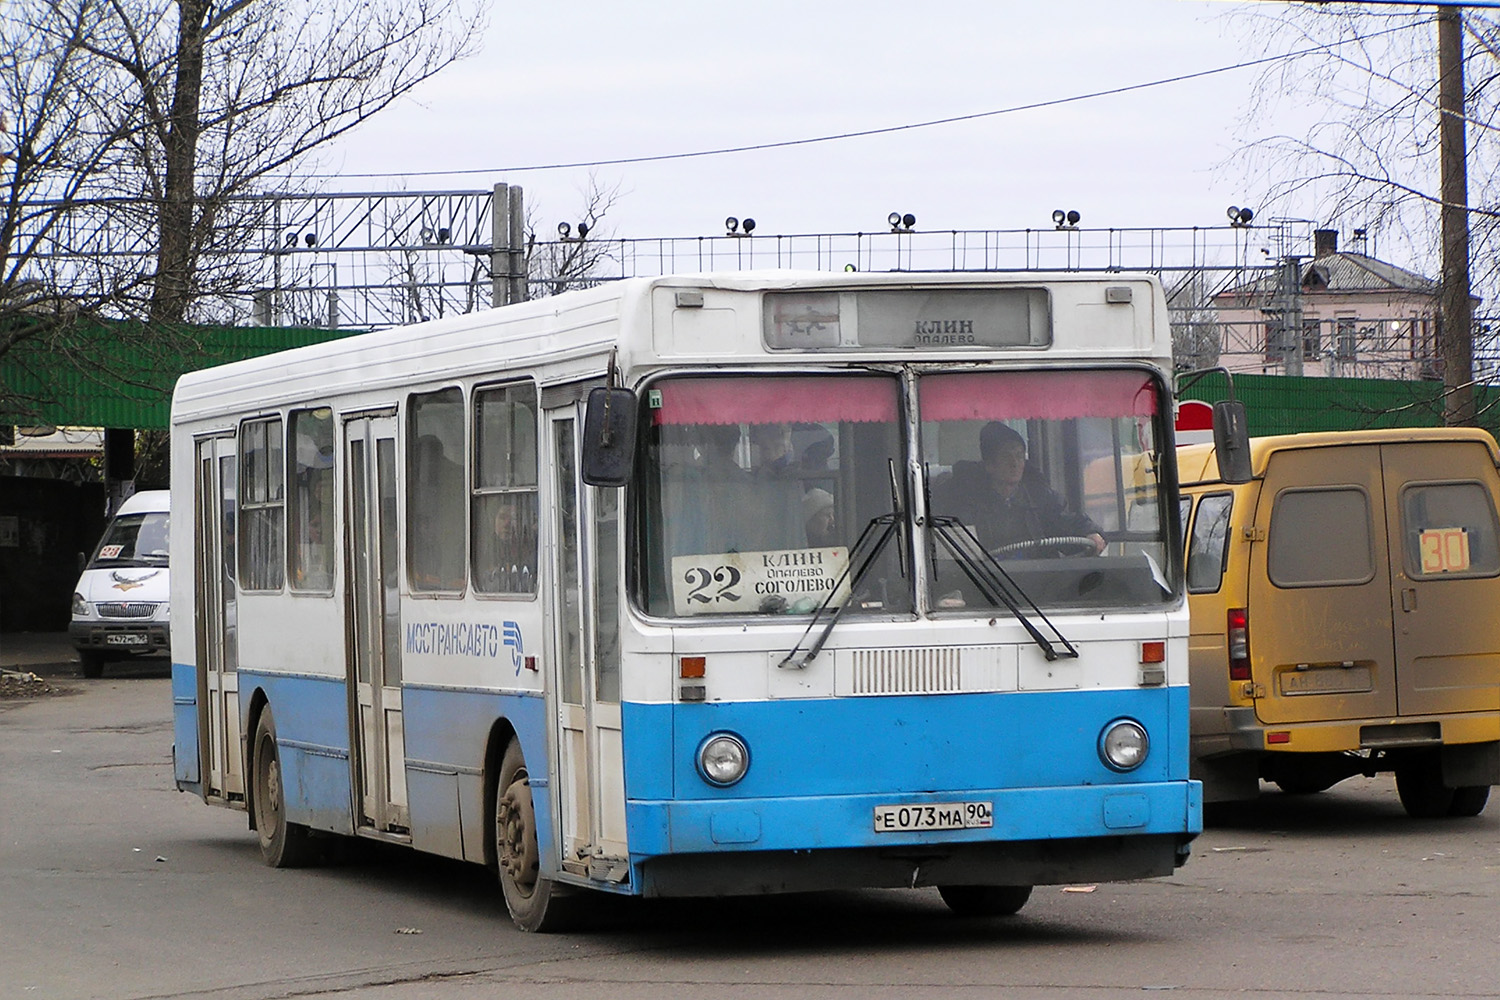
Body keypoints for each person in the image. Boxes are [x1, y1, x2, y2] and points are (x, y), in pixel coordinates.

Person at [931, 421, 1105, 556]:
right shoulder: (964, 503)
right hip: (984, 583)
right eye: (1006, 456)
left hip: (1041, 584)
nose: (1014, 463)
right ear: (989, 465)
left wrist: (1090, 533)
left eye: (1019, 456)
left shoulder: (1042, 499)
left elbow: (1066, 523)